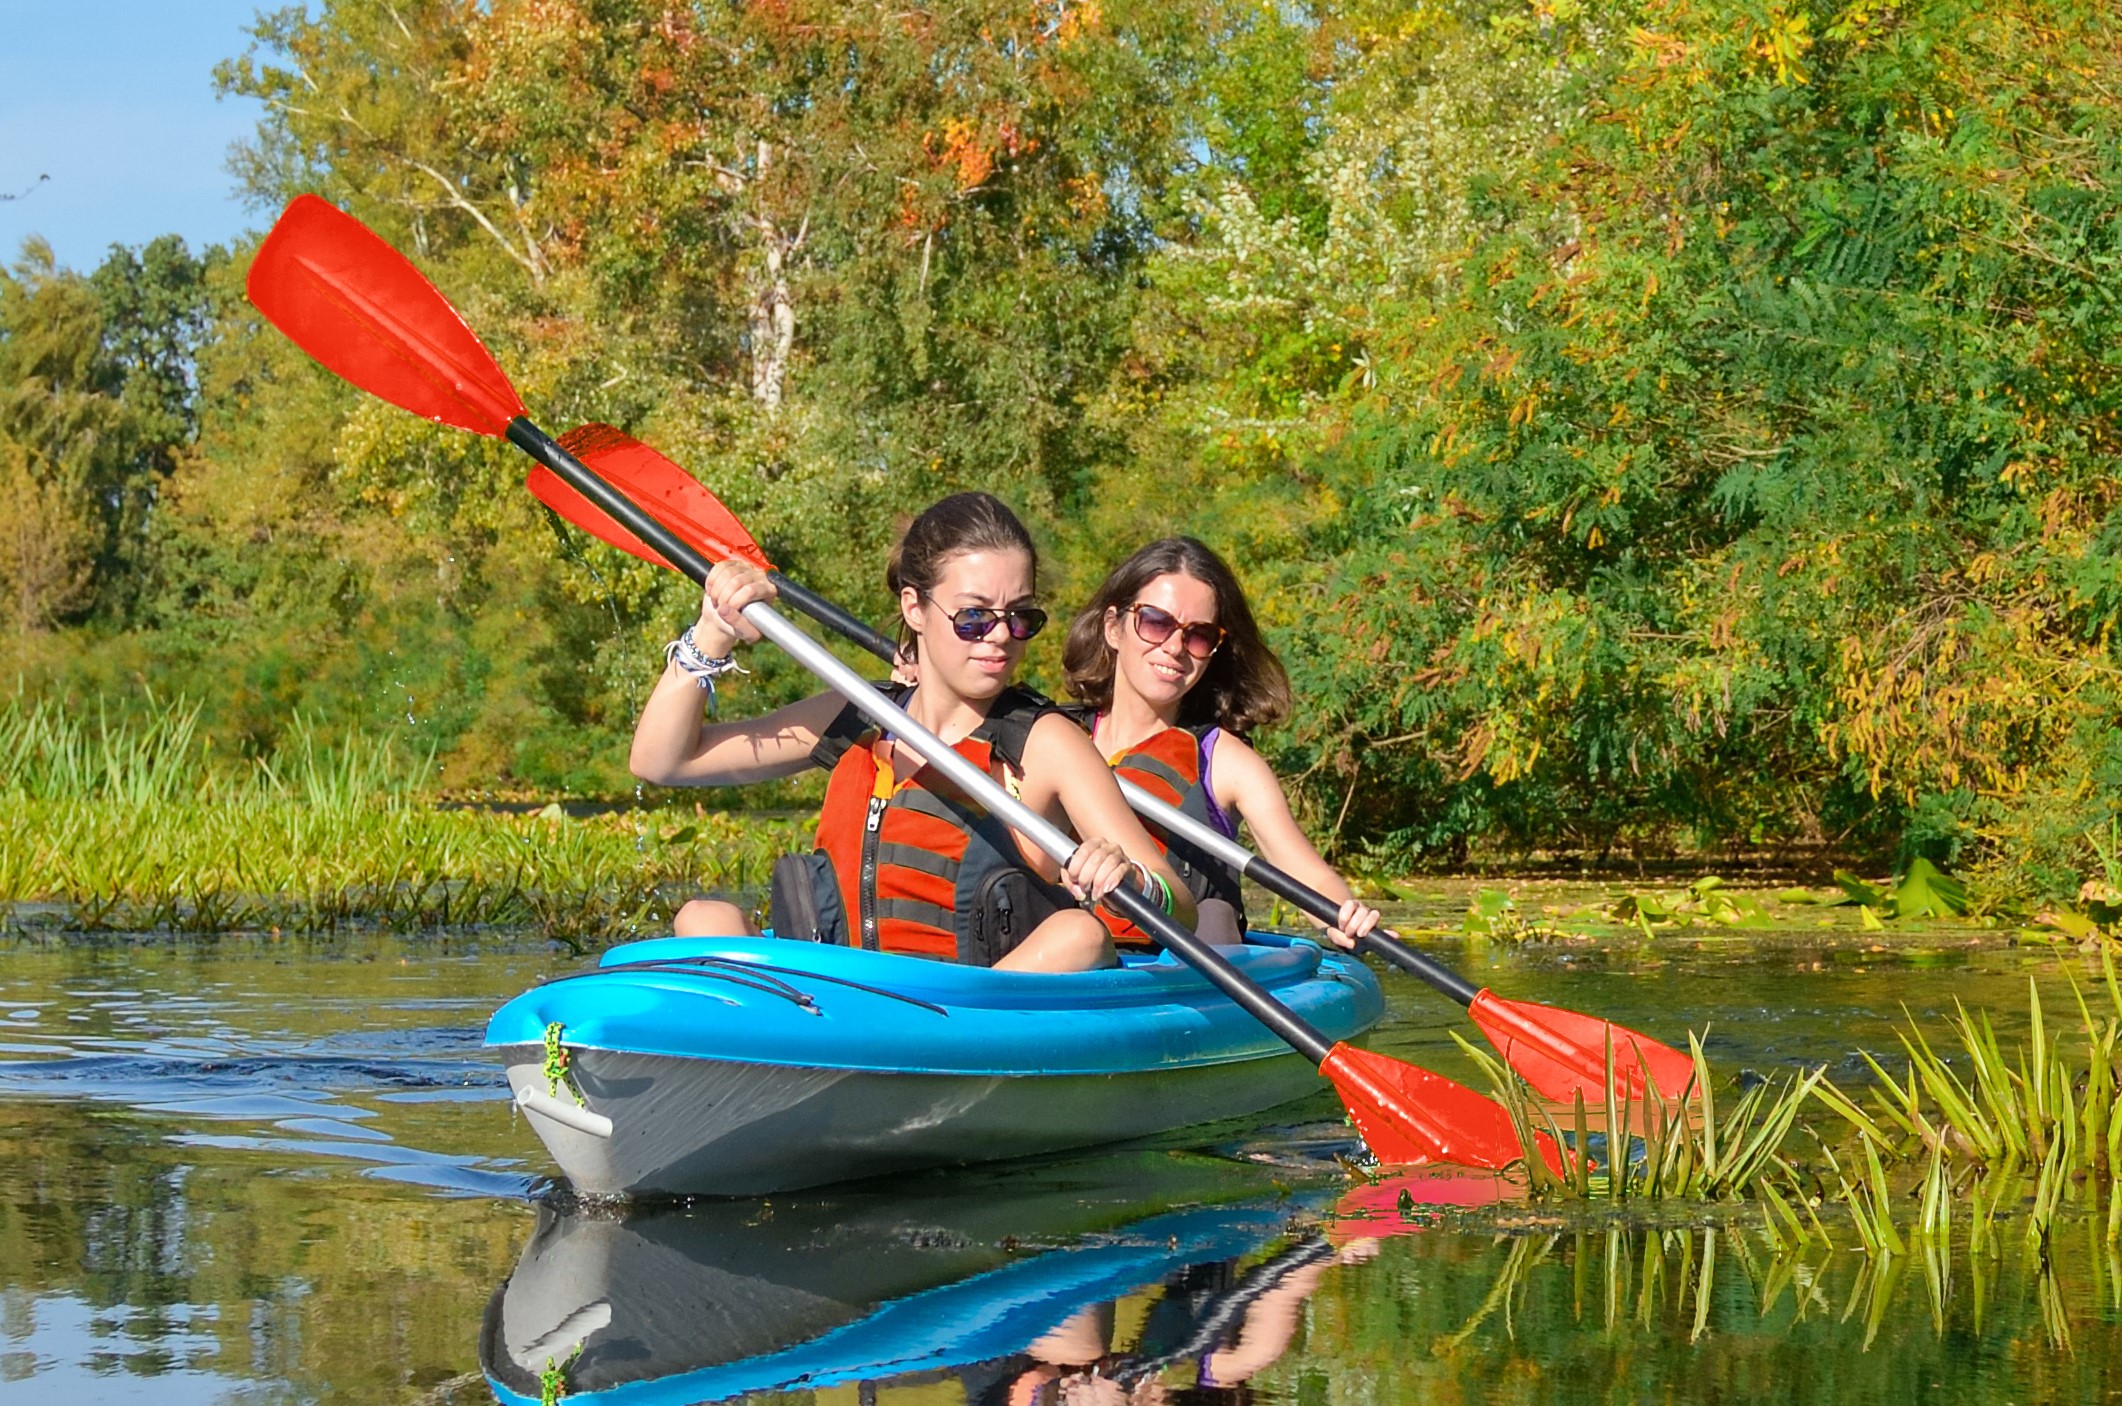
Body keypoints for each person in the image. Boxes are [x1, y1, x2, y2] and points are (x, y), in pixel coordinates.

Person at [628, 492, 1195, 972]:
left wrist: (1135, 881)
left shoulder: (1043, 742)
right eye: (973, 617)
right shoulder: (856, 716)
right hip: (841, 1002)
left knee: (1081, 935)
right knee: (703, 918)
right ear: (915, 608)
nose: (999, 637)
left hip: (979, 1013)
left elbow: (1179, 904)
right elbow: (661, 762)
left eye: (1020, 617)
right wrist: (712, 633)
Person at [1060, 537, 1379, 950]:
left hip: (1185, 969)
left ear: (1213, 649)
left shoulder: (1229, 763)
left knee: (1214, 915)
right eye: (1156, 621)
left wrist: (1343, 914)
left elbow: (1305, 873)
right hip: (1076, 962)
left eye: (1198, 635)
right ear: (1113, 627)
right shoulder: (1056, 739)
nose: (1174, 648)